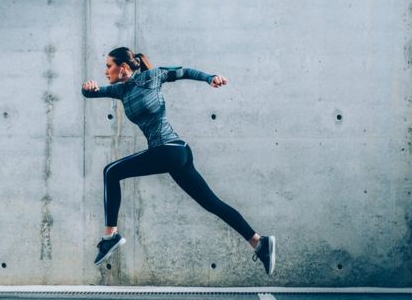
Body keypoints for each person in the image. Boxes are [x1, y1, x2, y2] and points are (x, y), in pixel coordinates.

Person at [81, 46, 276, 275]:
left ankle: (109, 237)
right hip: (174, 154)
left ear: (122, 67)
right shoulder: (122, 91)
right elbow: (91, 93)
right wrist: (87, 88)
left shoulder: (152, 77)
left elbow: (183, 72)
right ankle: (259, 242)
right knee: (211, 203)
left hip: (170, 150)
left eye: (108, 66)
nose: (105, 71)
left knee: (111, 172)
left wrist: (210, 78)